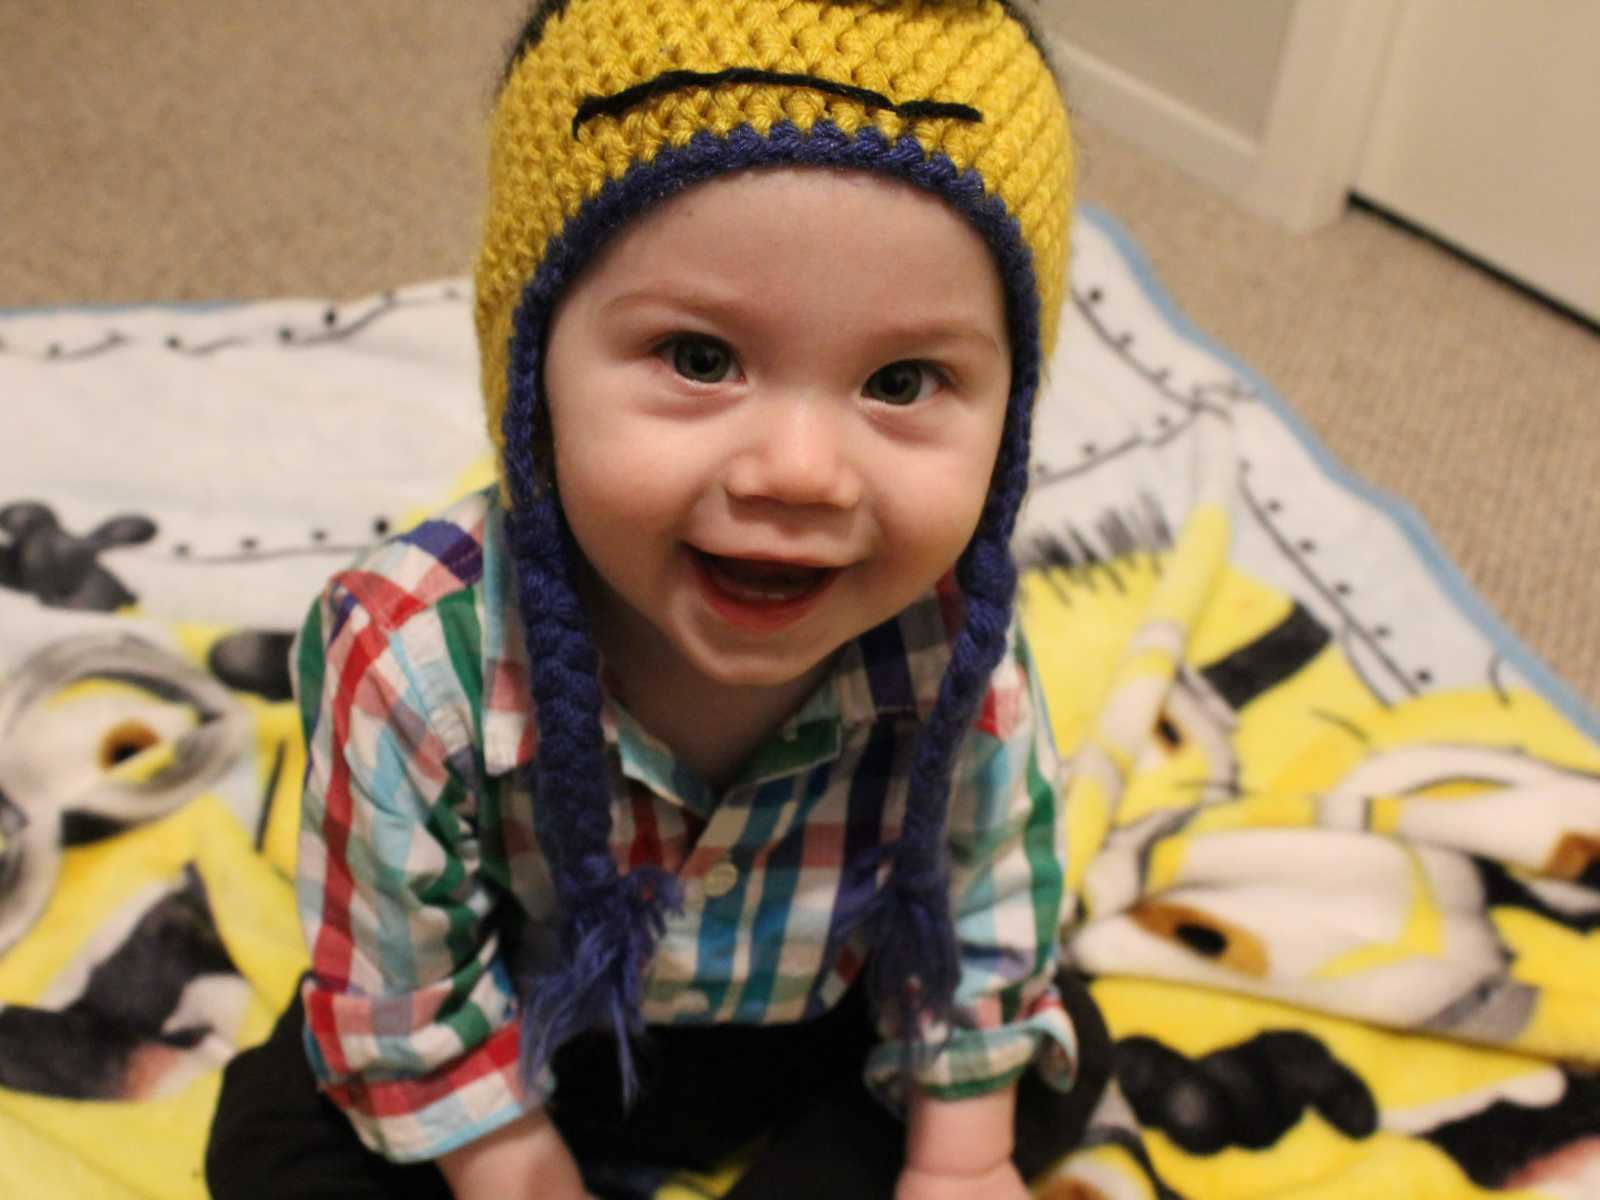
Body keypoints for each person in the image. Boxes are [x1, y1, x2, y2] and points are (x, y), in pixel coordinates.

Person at [207, 0, 1085, 1196]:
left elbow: (984, 904)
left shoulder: (951, 643)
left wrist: (961, 1160)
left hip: (812, 1019)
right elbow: (402, 986)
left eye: (901, 380)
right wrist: (513, 1165)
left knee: (1044, 1048)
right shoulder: (416, 656)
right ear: (527, 369)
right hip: (522, 1026)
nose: (799, 473)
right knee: (277, 1133)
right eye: (700, 359)